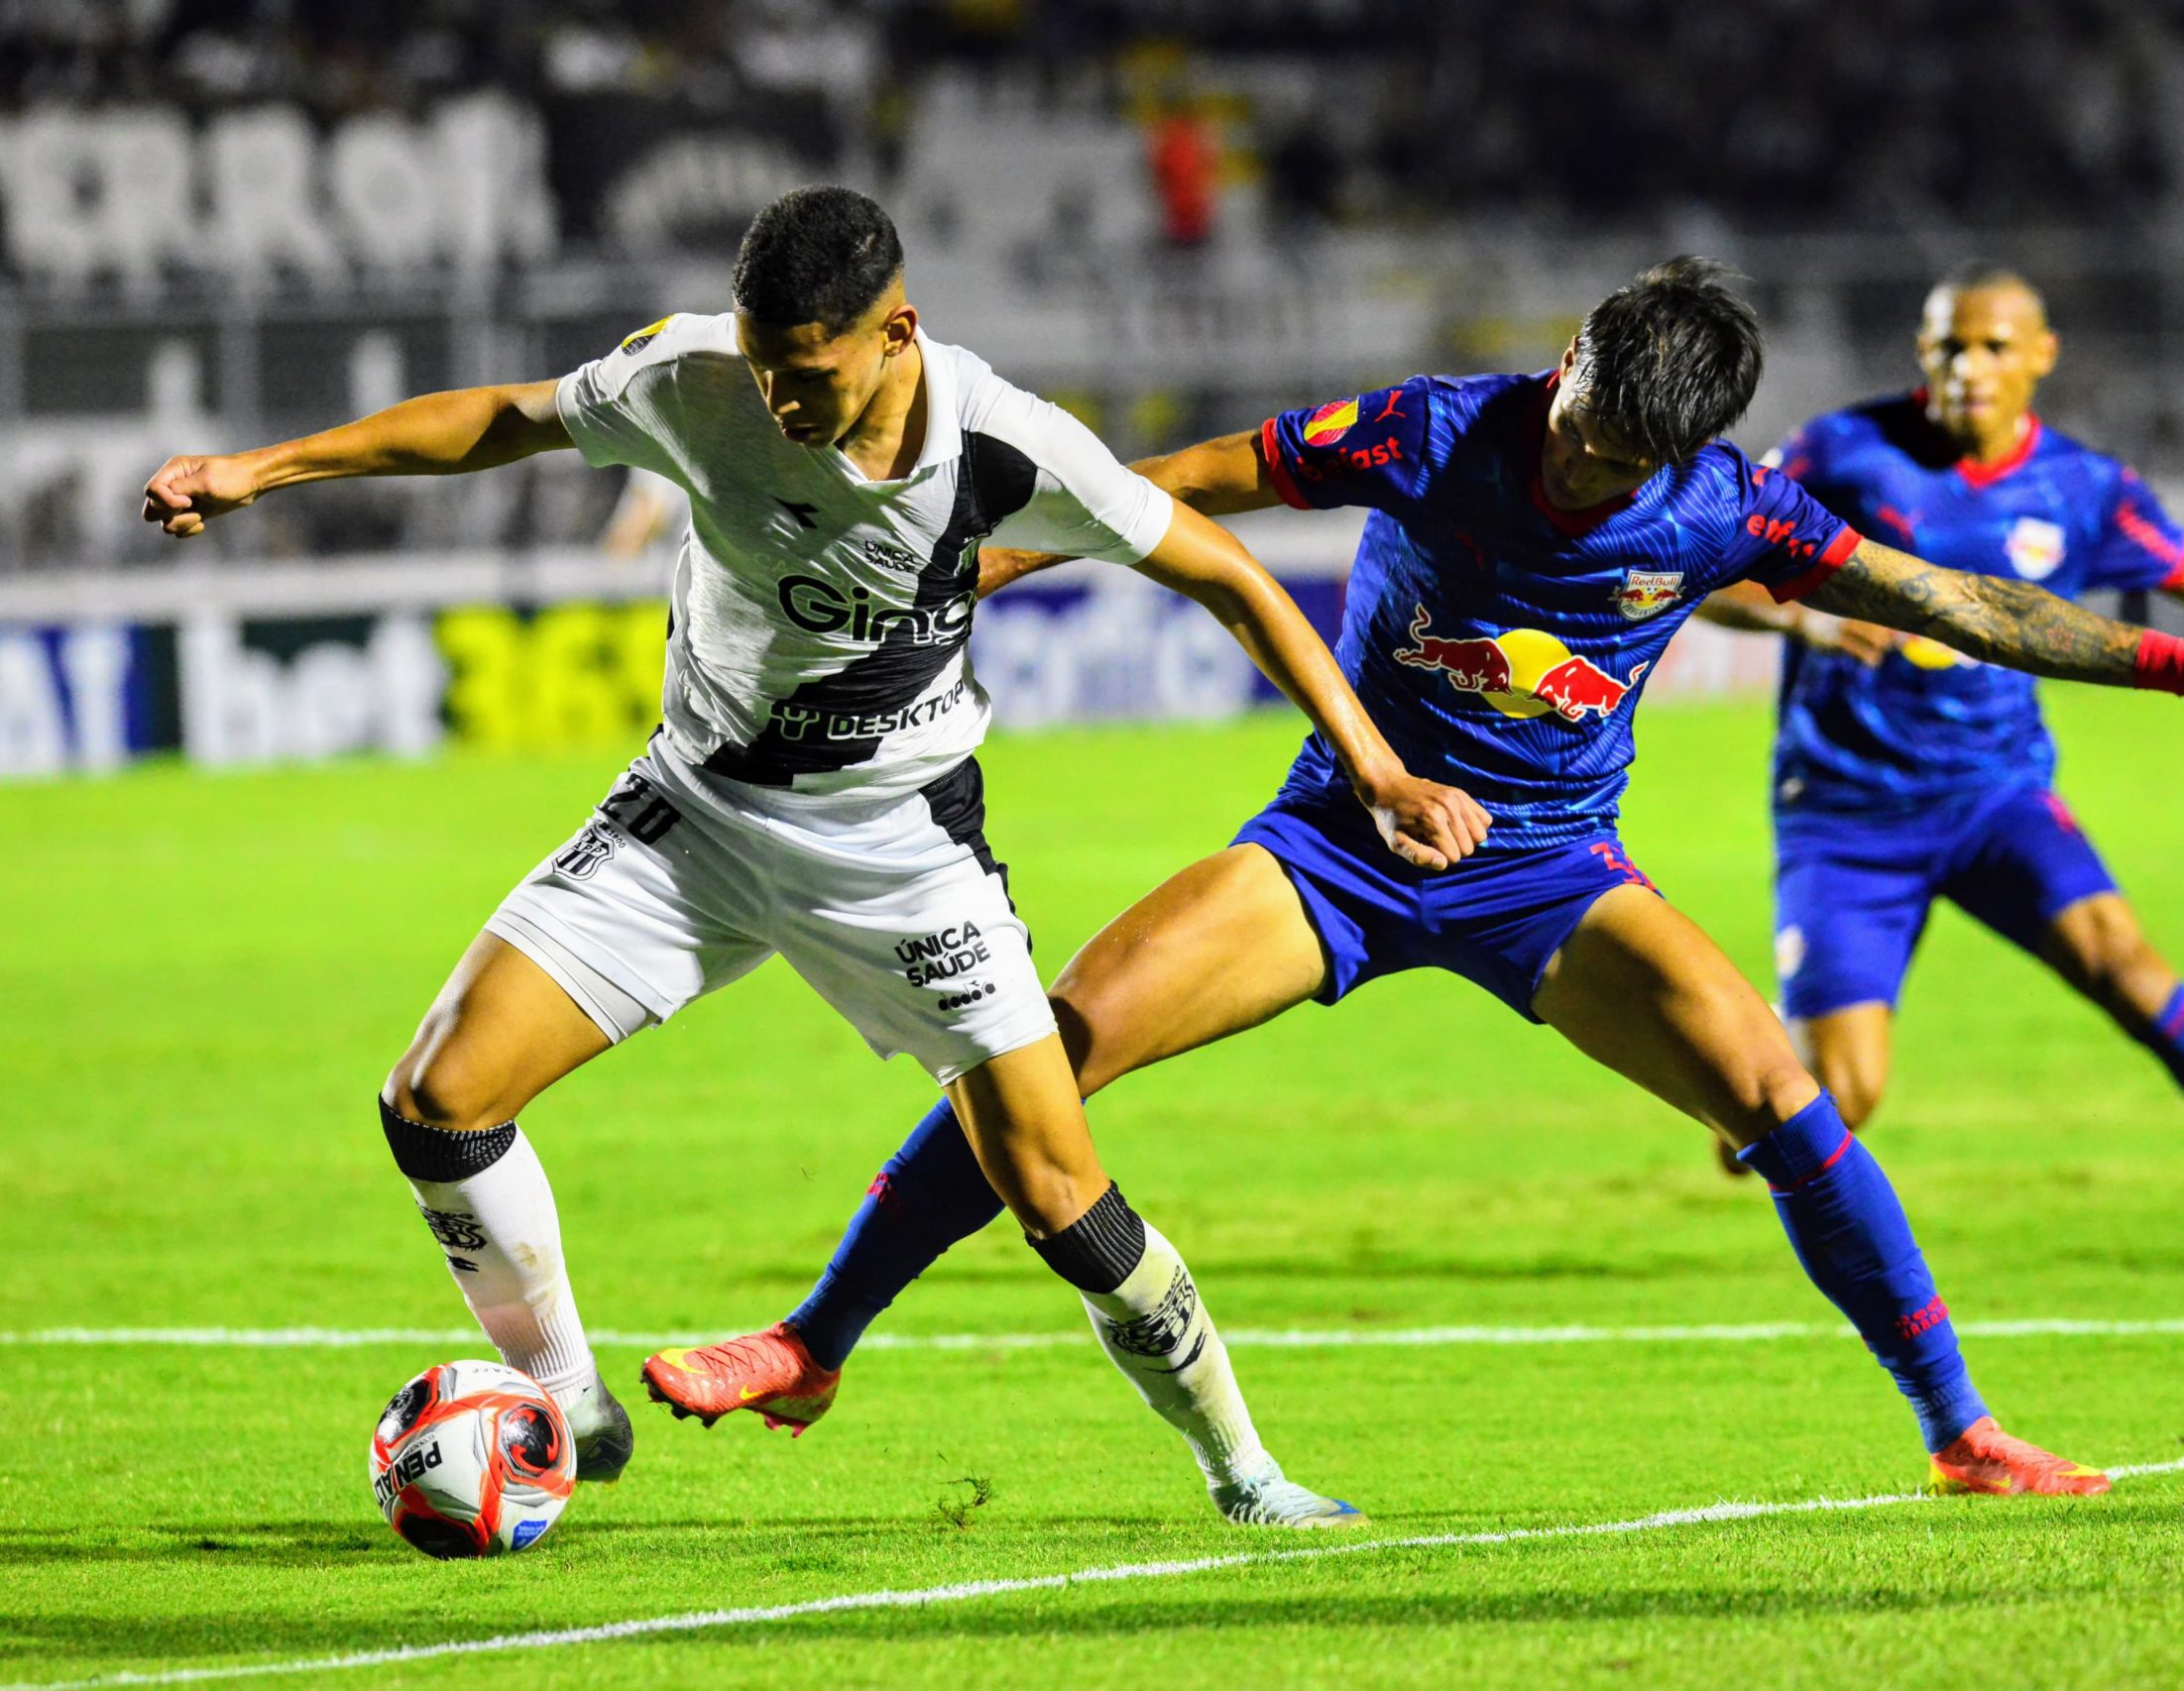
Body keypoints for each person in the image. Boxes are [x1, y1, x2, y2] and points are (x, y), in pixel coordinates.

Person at [645, 258, 2184, 1498]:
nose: (1584, 463)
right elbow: (1182, 487)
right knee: (1053, 1043)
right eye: (1582, 423)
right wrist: (990, 560)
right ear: (1567, 358)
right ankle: (812, 1344)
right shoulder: (1432, 429)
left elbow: (1979, 610)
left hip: (1548, 876)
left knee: (1784, 1097)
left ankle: (1960, 1430)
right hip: (1342, 839)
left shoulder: (1729, 510)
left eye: (1621, 461)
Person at [141, 185, 1489, 1532]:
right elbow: (506, 418)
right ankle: (570, 1402)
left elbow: (1231, 577)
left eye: (808, 371)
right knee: (436, 1097)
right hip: (696, 818)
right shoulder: (697, 378)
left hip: (900, 853)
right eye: (764, 364)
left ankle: (1244, 1471)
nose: (777, 397)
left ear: (896, 330)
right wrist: (260, 470)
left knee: (1058, 1191)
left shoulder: (1011, 447)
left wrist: (1373, 766)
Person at [1694, 267, 2184, 1269]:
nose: (1970, 367)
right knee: (1834, 1099)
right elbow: (1704, 560)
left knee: (2131, 970)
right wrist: (1808, 613)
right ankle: (1758, 1080)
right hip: (1847, 814)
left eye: (1993, 346)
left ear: (2041, 355)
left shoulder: (2083, 489)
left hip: (1996, 796)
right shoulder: (1841, 450)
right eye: (1950, 346)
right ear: (1921, 354)